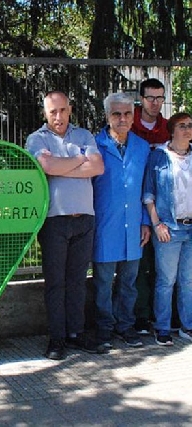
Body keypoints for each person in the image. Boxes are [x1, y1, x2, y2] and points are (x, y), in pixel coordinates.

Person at [25, 91, 106, 360]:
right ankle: (57, 338)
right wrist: (79, 160)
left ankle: (76, 333)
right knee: (55, 283)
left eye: (62, 110)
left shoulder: (84, 135)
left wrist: (63, 166)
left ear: (69, 109)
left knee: (78, 281)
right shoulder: (37, 139)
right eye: (52, 112)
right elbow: (45, 165)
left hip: (85, 218)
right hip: (54, 221)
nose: (57, 117)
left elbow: (98, 167)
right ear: (45, 114)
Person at [91, 93, 151, 349]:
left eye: (127, 113)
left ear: (133, 115)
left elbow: (148, 187)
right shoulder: (95, 146)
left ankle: (126, 327)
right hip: (105, 225)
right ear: (107, 116)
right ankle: (104, 329)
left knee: (129, 282)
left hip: (134, 225)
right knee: (103, 283)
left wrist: (146, 221)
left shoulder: (141, 147)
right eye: (116, 114)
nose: (122, 118)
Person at [143, 112, 192, 346]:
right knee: (166, 280)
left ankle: (187, 326)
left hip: (191, 228)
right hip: (169, 229)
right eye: (182, 126)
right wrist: (156, 223)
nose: (187, 130)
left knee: (188, 281)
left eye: (190, 126)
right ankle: (162, 327)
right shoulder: (159, 157)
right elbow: (148, 194)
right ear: (172, 131)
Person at [130, 78, 171, 335]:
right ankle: (140, 318)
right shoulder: (128, 123)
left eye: (159, 98)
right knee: (138, 266)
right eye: (150, 98)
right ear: (141, 98)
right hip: (134, 205)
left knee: (163, 268)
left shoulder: (169, 128)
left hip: (164, 208)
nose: (155, 103)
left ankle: (164, 318)